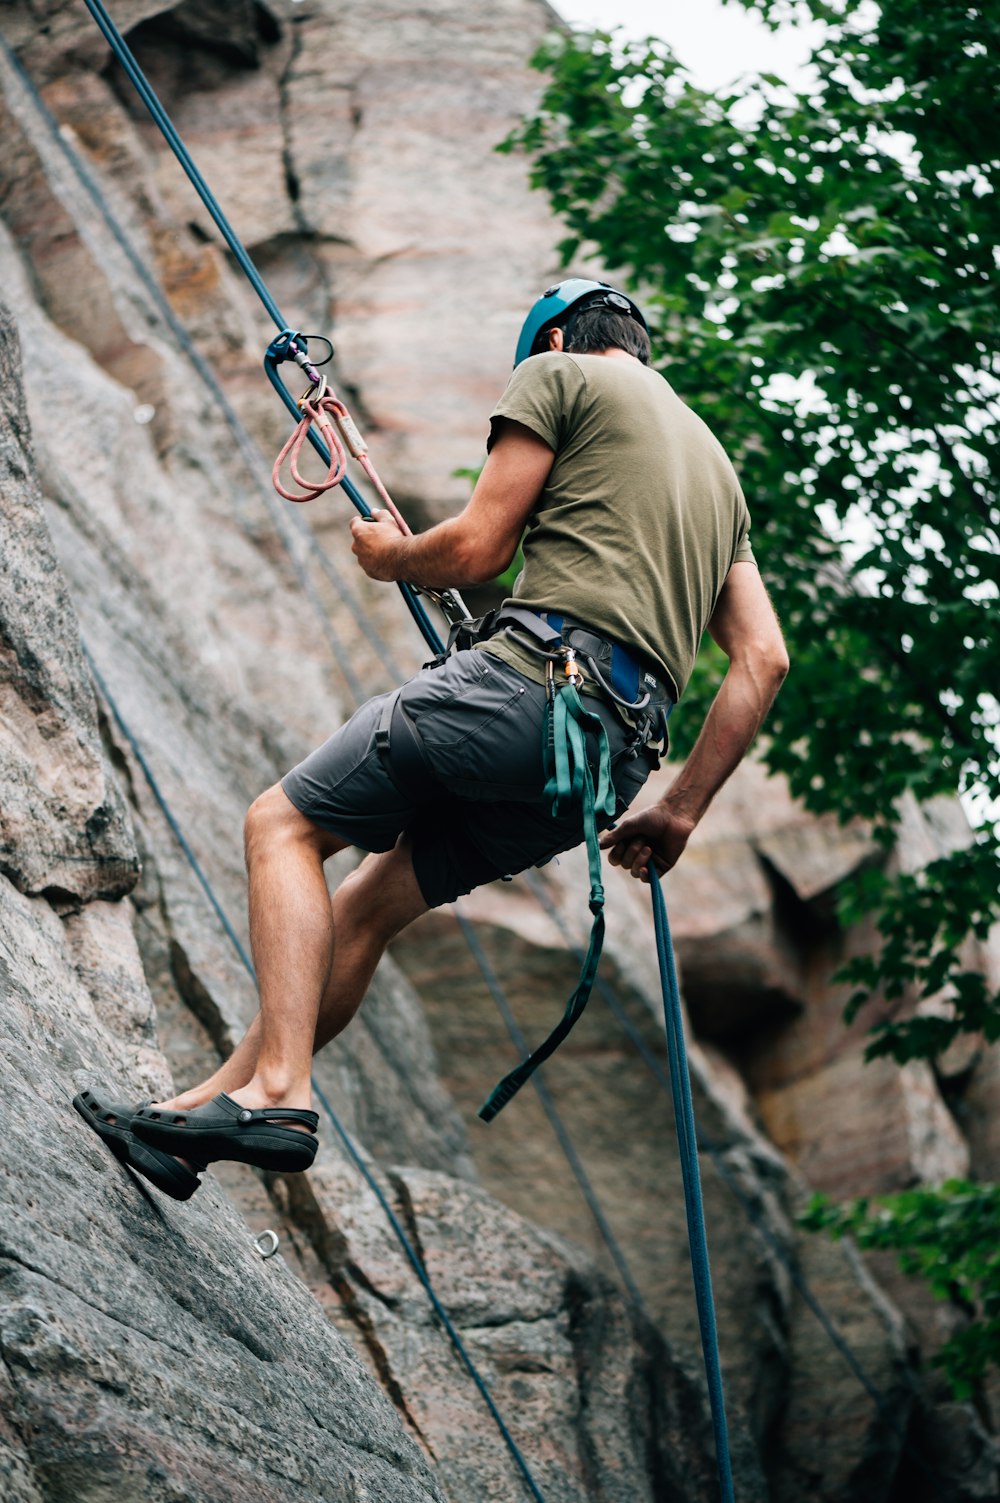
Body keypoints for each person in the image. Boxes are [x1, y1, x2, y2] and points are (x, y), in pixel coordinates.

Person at [75, 279, 788, 1197]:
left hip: (527, 693)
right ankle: (197, 1115)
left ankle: (280, 1092)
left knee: (282, 826)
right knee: (368, 905)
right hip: (603, 771)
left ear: (560, 339)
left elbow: (481, 548)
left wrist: (391, 558)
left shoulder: (559, 375)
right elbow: (761, 660)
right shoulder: (718, 475)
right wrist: (680, 809)